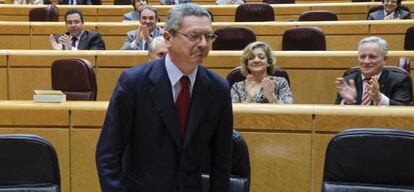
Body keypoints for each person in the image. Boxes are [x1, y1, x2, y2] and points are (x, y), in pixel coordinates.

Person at [96, 3, 233, 192]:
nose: (203, 44)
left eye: (208, 36)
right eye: (193, 36)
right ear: (168, 38)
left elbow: (221, 160)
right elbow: (108, 154)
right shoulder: (134, 82)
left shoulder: (218, 88)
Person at [335, 36, 412, 106]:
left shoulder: (399, 80)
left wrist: (379, 98)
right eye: (362, 57)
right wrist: (348, 102)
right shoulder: (348, 81)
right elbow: (335, 115)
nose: (366, 61)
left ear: (384, 59)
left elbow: (403, 110)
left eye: (372, 57)